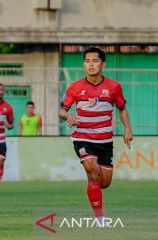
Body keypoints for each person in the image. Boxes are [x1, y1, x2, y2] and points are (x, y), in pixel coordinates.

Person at [59, 47, 133, 226]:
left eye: (95, 61)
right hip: (83, 138)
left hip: (105, 141)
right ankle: (100, 219)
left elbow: (122, 109)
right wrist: (68, 116)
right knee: (93, 173)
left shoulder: (114, 87)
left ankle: (94, 190)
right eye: (87, 61)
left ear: (103, 63)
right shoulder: (75, 87)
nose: (90, 65)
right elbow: (63, 110)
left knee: (104, 183)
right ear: (84, 64)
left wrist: (127, 129)